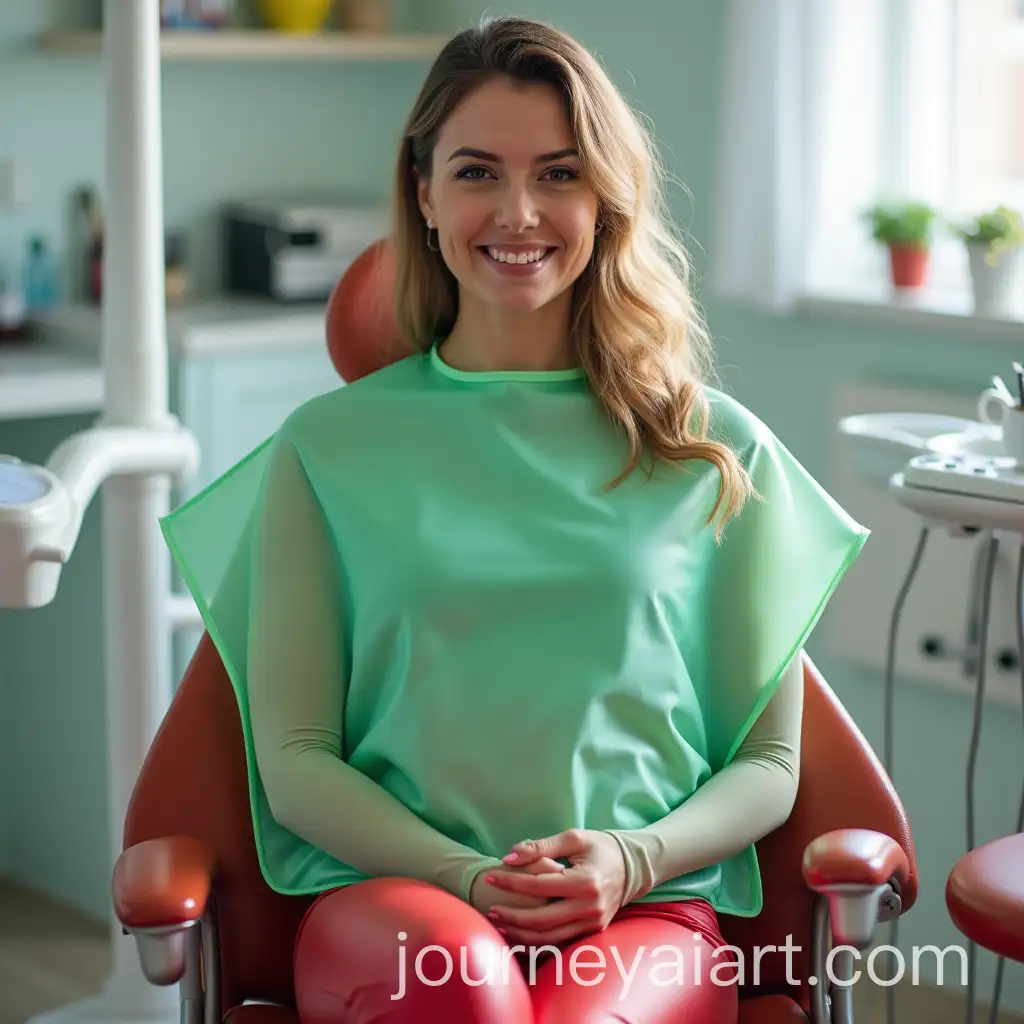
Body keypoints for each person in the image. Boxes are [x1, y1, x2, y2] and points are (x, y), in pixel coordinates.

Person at [161, 15, 869, 1024]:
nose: (519, 211)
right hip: (394, 898)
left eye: (560, 173)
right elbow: (297, 761)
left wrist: (631, 859)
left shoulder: (713, 446)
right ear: (424, 192)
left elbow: (767, 764)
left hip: (643, 909)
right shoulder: (324, 449)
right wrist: (464, 875)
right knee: (470, 999)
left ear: (605, 196)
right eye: (478, 172)